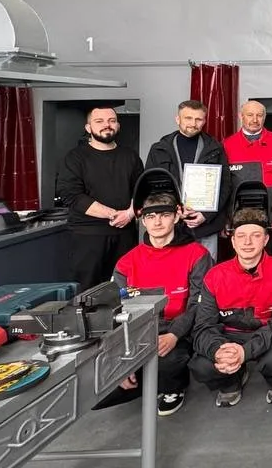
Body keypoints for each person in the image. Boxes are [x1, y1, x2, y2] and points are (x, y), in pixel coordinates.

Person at [106, 172, 213, 417]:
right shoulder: (126, 262)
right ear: (142, 220)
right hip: (138, 331)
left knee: (167, 360)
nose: (157, 222)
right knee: (102, 382)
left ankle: (171, 386)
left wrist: (174, 335)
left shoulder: (197, 255)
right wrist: (121, 356)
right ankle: (141, 377)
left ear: (176, 215)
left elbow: (200, 304)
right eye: (150, 216)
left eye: (164, 215)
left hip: (180, 330)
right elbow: (115, 310)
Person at [190, 208, 272, 407]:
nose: (247, 242)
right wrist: (217, 351)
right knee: (201, 365)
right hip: (228, 337)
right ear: (233, 241)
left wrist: (245, 352)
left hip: (268, 335)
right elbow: (203, 326)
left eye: (255, 235)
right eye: (241, 236)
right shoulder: (214, 276)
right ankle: (231, 382)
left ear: (265, 240)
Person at [57, 106, 144, 288]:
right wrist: (112, 214)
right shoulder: (75, 157)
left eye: (112, 121)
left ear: (118, 125)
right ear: (88, 127)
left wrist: (129, 214)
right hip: (87, 236)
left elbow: (142, 191)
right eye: (99, 121)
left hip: (125, 235)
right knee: (87, 292)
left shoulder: (130, 156)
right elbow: (71, 194)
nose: (107, 125)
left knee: (126, 289)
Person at [144, 100, 231, 260]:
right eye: (188, 118)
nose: (193, 123)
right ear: (178, 119)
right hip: (170, 225)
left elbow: (225, 186)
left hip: (206, 226)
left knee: (206, 270)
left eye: (198, 119)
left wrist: (206, 214)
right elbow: (150, 186)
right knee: (172, 270)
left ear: (204, 121)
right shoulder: (159, 148)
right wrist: (173, 210)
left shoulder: (215, 148)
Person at [222, 100, 272, 232]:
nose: (255, 120)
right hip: (236, 218)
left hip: (271, 217)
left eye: (259, 115)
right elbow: (223, 185)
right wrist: (224, 219)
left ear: (264, 117)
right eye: (250, 115)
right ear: (241, 116)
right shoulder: (227, 145)